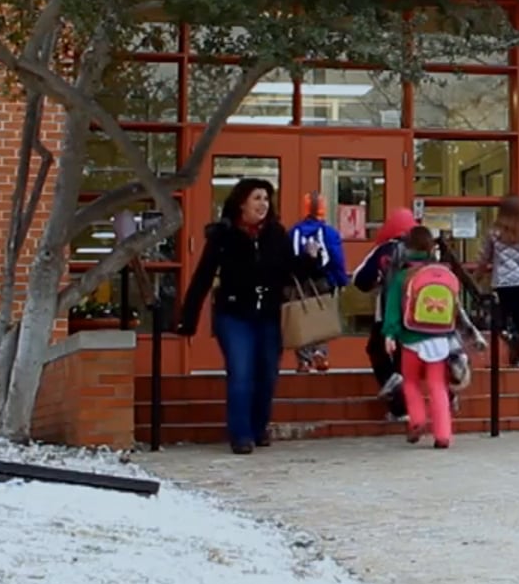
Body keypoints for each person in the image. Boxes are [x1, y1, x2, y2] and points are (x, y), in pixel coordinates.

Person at [177, 177, 315, 455]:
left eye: (266, 199)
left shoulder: (276, 233)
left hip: (269, 315)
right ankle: (240, 435)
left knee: (267, 374)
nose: (263, 204)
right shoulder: (223, 235)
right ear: (242, 203)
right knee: (241, 372)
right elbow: (203, 276)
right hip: (234, 314)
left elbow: (289, 271)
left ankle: (258, 428)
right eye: (257, 198)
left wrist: (309, 258)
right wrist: (188, 319)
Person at [381, 225, 459, 448]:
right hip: (439, 338)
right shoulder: (444, 274)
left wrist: (390, 334)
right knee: (437, 386)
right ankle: (443, 434)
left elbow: (393, 309)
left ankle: (417, 420)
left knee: (411, 382)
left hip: (411, 338)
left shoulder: (402, 276)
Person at [353, 207, 418, 418]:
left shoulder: (384, 250)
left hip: (388, 313)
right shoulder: (421, 249)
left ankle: (397, 399)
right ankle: (405, 407)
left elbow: (360, 279)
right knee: (404, 357)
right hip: (417, 315)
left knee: (376, 349)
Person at [475, 195, 519, 367]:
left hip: (502, 283)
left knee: (503, 319)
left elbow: (485, 257)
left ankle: (505, 353)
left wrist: (478, 276)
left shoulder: (494, 233)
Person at [289, 193, 348, 373]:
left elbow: (287, 257)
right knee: (321, 316)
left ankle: (304, 360)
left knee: (302, 318)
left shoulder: (294, 232)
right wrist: (341, 280)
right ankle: (320, 352)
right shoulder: (329, 232)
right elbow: (336, 258)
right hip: (323, 279)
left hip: (300, 282)